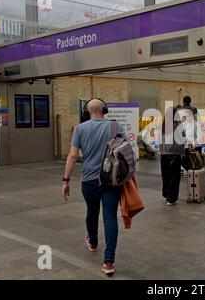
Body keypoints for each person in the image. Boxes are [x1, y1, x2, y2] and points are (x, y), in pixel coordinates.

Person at [61, 98, 126, 276]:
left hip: (89, 180)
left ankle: (94, 241)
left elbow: (73, 156)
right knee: (110, 217)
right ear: (104, 109)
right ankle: (108, 262)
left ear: (87, 111)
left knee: (92, 211)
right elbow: (126, 152)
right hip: (112, 180)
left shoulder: (80, 129)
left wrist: (65, 180)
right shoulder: (116, 127)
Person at [160, 106, 185, 206]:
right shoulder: (179, 125)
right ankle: (171, 198)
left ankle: (166, 194)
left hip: (164, 152)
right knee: (174, 176)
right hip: (175, 152)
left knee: (165, 174)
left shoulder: (163, 125)